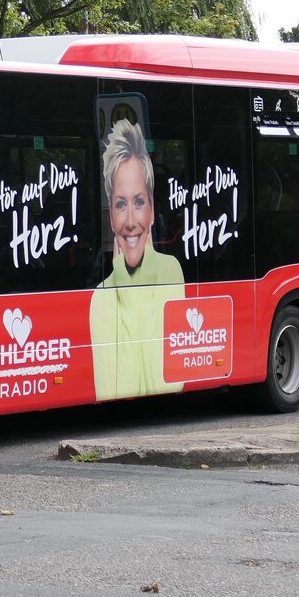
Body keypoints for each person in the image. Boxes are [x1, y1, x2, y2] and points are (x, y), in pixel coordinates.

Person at [89, 118, 185, 401]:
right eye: (120, 204)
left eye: (139, 202)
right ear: (111, 217)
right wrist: (119, 277)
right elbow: (116, 389)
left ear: (152, 210)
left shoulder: (171, 271)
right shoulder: (100, 298)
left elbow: (167, 381)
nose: (130, 221)